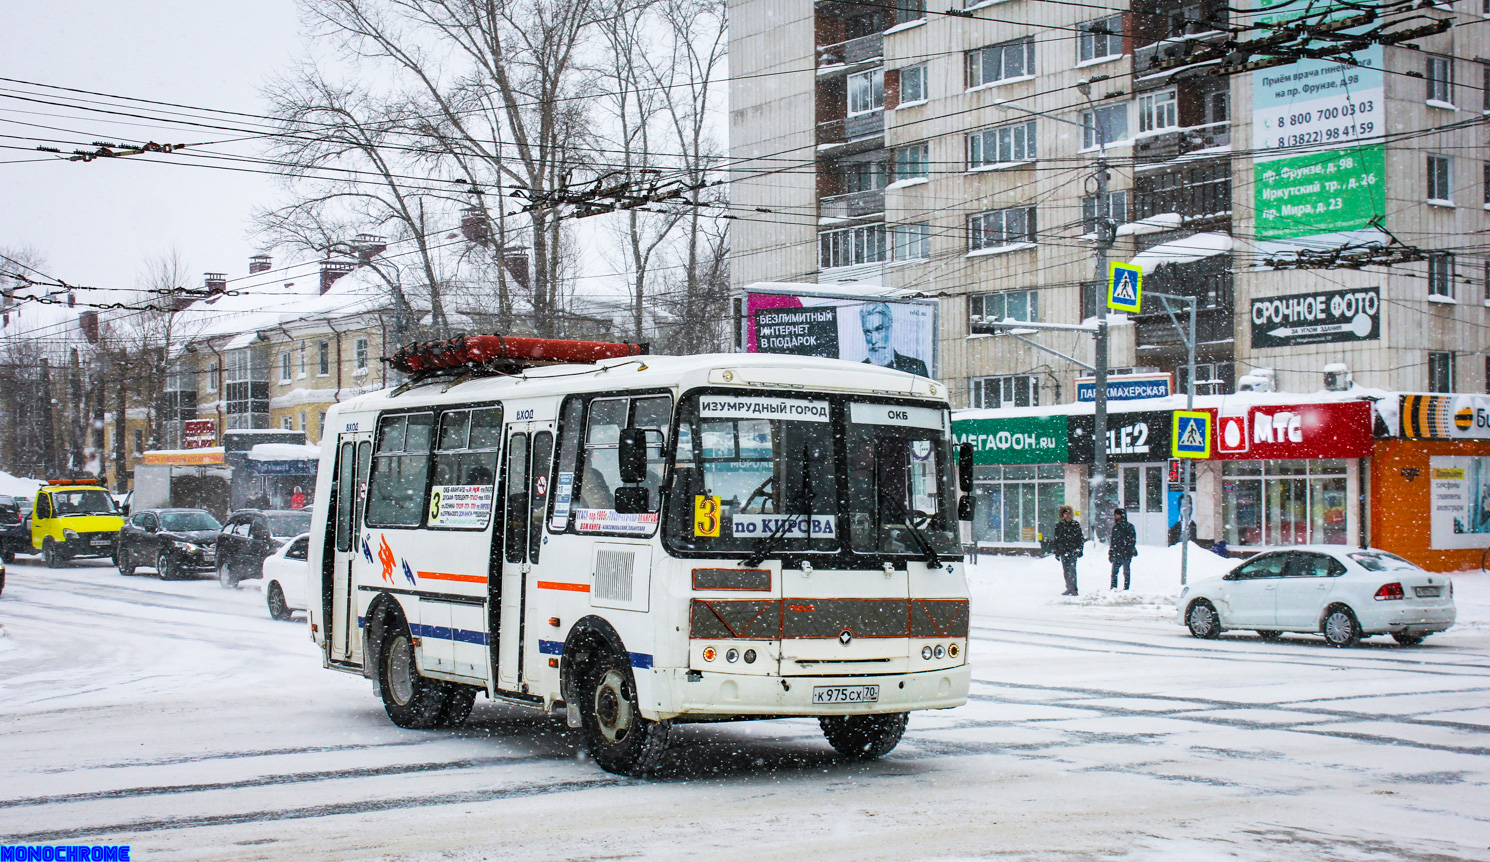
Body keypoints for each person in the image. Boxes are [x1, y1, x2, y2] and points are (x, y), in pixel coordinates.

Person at [858, 302, 929, 377]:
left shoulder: (916, 367)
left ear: (890, 326)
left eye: (879, 329)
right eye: (868, 332)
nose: (873, 340)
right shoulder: (859, 371)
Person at [1051, 505, 1084, 596]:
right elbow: (1056, 539)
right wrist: (1056, 551)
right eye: (1065, 513)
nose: (1066, 515)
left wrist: (1080, 549)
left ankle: (1073, 588)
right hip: (1063, 551)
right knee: (1066, 570)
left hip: (1072, 550)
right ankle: (1069, 587)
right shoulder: (1059, 526)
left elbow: (1080, 538)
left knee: (1072, 569)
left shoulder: (1075, 525)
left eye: (1068, 513)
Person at [1109, 507, 1137, 590]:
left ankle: (1124, 588)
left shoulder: (1127, 527)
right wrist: (1111, 552)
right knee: (1117, 571)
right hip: (1119, 552)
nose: (1116, 516)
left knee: (1124, 571)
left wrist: (1128, 549)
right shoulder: (1116, 527)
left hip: (1124, 552)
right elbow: (1113, 541)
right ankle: (1115, 587)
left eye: (1118, 515)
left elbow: (1131, 540)